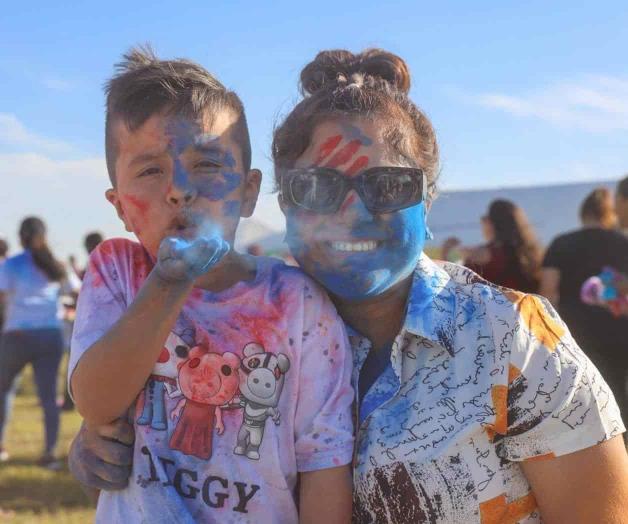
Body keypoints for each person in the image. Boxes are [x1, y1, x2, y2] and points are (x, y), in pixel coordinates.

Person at [70, 48, 628, 523]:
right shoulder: (258, 317)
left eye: (389, 184)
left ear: (428, 201)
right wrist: (105, 444)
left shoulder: (512, 339)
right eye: (319, 188)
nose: (354, 211)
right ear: (284, 203)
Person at [68, 47, 353, 523]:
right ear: (119, 207)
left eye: (207, 164)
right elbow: (97, 403)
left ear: (248, 191)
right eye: (150, 170)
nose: (179, 188)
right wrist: (168, 283)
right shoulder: (117, 271)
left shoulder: (297, 302)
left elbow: (323, 459)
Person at [541, 187, 628, 425]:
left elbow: (549, 291)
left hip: (577, 334)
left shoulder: (562, 243)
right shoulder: (622, 242)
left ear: (583, 214)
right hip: (620, 330)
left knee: (588, 400)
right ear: (608, 214)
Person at [0, 217, 79, 468]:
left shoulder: (12, 264)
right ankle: (50, 453)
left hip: (17, 335)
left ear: (20, 237)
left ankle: (1, 447)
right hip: (50, 335)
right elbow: (77, 291)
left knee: (4, 391)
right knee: (48, 396)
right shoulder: (57, 266)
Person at [463, 199, 542, 293]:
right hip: (524, 306)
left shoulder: (482, 254)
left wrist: (447, 253)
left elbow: (460, 288)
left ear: (491, 222)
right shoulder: (530, 253)